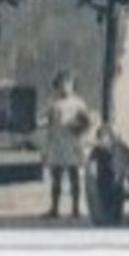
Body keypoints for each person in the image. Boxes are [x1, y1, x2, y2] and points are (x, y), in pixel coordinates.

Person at [41, 70, 92, 219]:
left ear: (73, 85)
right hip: (57, 143)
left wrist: (78, 127)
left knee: (74, 177)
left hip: (72, 143)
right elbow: (47, 119)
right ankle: (54, 208)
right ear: (57, 85)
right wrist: (41, 125)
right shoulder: (53, 103)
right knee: (56, 177)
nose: (65, 87)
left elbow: (87, 122)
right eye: (62, 83)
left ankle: (75, 208)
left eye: (68, 83)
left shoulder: (78, 103)